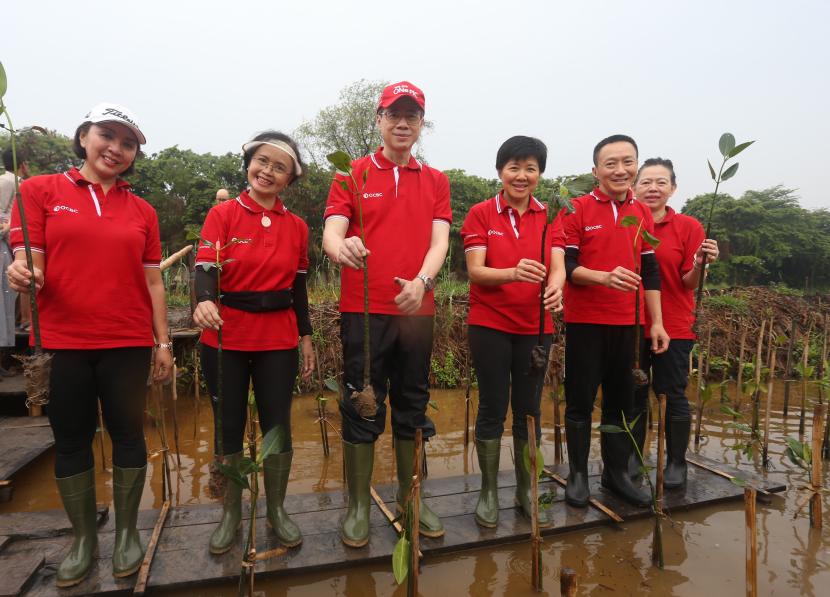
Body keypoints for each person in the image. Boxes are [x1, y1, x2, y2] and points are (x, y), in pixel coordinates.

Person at [6, 103, 172, 587]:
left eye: (128, 144)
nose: (116, 149)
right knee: (72, 439)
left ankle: (125, 534)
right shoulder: (39, 191)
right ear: (84, 137)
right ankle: (83, 539)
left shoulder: (142, 210)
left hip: (126, 340)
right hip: (64, 341)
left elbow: (155, 283)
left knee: (128, 434)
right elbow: (29, 257)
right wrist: (24, 273)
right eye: (107, 136)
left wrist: (162, 342)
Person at [322, 81, 451, 547]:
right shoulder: (351, 173)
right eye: (393, 114)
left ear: (421, 123)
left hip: (418, 309)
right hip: (364, 310)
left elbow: (440, 242)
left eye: (411, 115)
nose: (402, 123)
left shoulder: (436, 179)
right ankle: (358, 505)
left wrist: (423, 283)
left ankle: (410, 497)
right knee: (361, 398)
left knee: (414, 401)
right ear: (378, 119)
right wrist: (343, 247)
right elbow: (331, 235)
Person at [193, 130, 314, 554]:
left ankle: (277, 509)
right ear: (249, 163)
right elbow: (206, 267)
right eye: (262, 161)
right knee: (227, 422)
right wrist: (204, 303)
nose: (268, 171)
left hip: (278, 337)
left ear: (288, 180)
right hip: (226, 335)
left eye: (279, 167)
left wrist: (306, 337)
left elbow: (299, 288)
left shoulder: (298, 227)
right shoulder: (222, 214)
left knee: (277, 423)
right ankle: (230, 513)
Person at [560, 134, 669, 508]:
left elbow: (650, 271)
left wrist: (656, 322)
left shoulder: (640, 212)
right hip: (586, 322)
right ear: (595, 171)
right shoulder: (575, 209)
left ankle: (616, 472)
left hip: (630, 323)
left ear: (635, 166)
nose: (620, 170)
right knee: (579, 399)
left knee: (623, 401)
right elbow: (568, 267)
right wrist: (603, 277)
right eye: (611, 163)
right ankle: (577, 474)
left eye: (627, 162)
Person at [461, 136, 564, 528]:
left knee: (529, 411)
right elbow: (476, 271)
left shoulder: (550, 215)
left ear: (540, 173)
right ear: (501, 171)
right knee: (491, 406)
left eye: (531, 168)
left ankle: (526, 488)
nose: (522, 176)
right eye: (514, 167)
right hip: (489, 324)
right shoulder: (481, 214)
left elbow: (557, 264)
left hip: (537, 327)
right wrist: (514, 272)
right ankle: (488, 492)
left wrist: (557, 287)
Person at [631, 158, 718, 489]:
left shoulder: (689, 227)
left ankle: (676, 462)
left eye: (661, 182)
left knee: (673, 393)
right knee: (634, 393)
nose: (653, 188)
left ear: (673, 188)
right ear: (634, 187)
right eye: (646, 182)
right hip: (630, 323)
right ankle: (633, 458)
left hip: (675, 324)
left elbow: (688, 282)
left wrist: (700, 263)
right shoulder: (626, 222)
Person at [0, 148, 29, 372]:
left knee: (9, 301)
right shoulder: (9, 181)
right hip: (6, 246)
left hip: (11, 247)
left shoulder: (19, 183)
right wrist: (13, 227)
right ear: (23, 163)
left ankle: (6, 357)